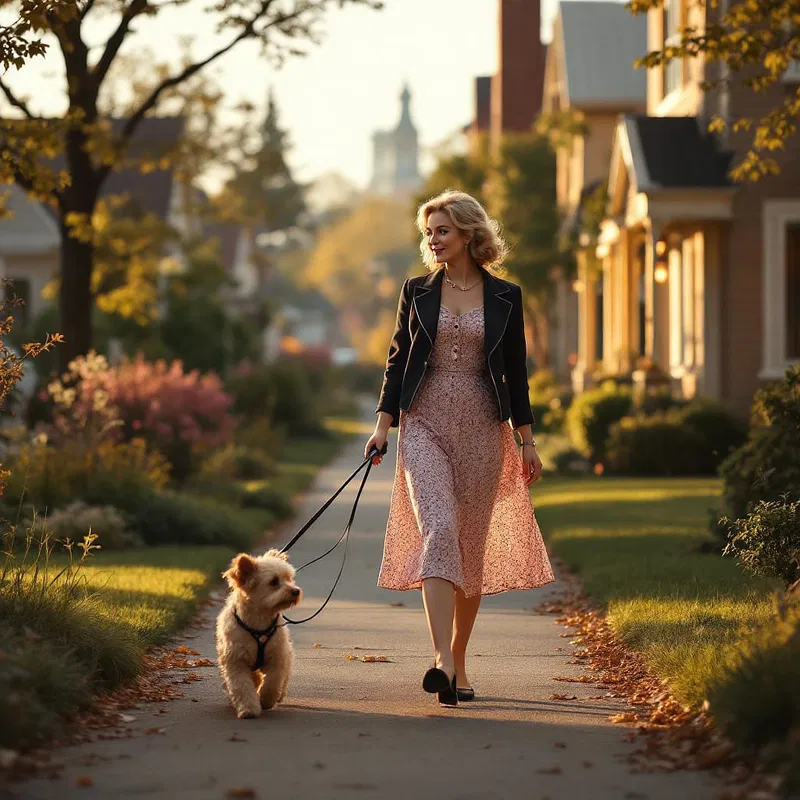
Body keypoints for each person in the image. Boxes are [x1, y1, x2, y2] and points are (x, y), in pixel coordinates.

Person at [364, 190, 554, 708]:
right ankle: (441, 662)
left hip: (482, 427)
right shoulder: (417, 291)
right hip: (423, 421)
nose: (433, 240)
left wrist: (527, 440)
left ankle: (460, 662)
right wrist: (383, 427)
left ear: (469, 233)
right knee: (440, 528)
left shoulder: (506, 297)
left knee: (469, 549)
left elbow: (516, 372)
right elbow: (397, 362)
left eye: (442, 230)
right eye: (428, 232)